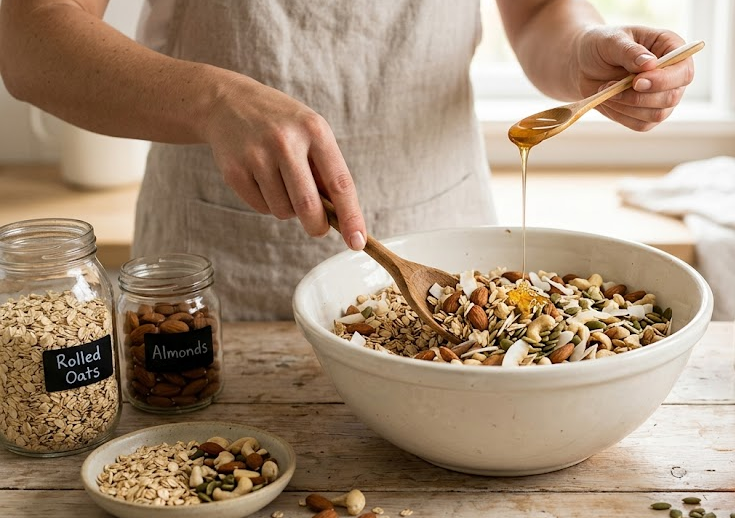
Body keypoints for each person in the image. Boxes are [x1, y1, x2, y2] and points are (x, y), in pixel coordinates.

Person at [0, 1, 695, 320]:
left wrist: (582, 52)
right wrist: (211, 101)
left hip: (449, 239)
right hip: (226, 277)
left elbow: (541, 11)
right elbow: (31, 39)